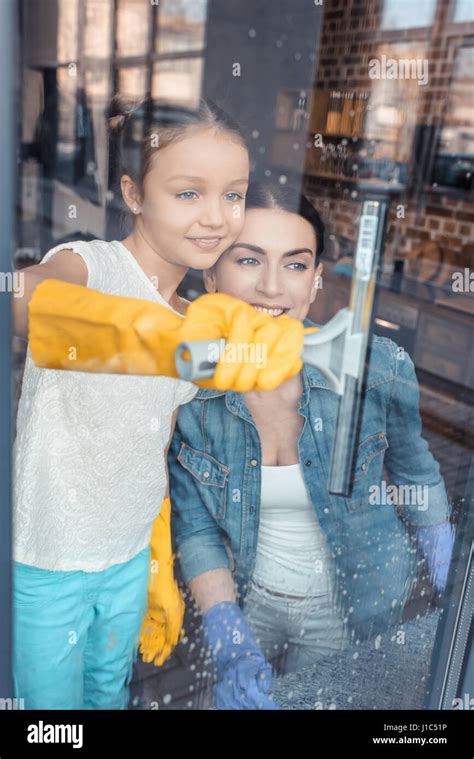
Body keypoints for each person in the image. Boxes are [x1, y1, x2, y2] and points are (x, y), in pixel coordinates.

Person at [12, 98, 305, 709]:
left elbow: (154, 446)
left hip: (125, 561)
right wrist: (170, 344)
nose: (216, 217)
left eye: (233, 194)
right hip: (47, 564)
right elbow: (26, 300)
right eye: (188, 193)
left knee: (107, 701)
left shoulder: (193, 319)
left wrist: (156, 563)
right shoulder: (91, 266)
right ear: (134, 194)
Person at [168, 180, 455, 710]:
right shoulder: (188, 385)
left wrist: (456, 581)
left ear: (318, 279)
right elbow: (196, 522)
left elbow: (417, 475)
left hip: (352, 605)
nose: (272, 287)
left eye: (296, 265)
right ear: (211, 274)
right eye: (248, 261)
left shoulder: (376, 364)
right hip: (245, 596)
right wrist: (228, 634)